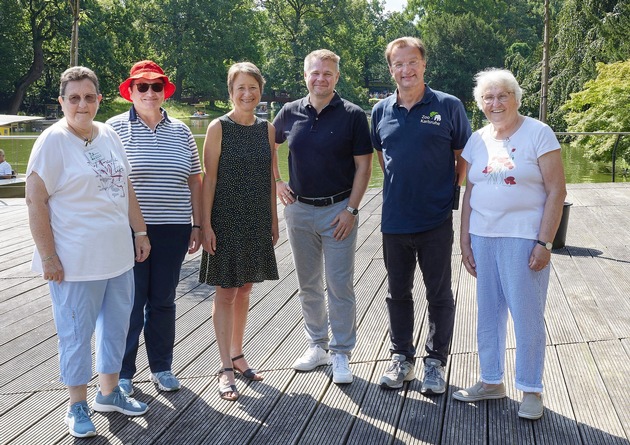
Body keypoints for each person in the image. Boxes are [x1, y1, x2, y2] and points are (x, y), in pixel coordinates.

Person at [25, 66, 150, 438]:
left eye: (89, 97)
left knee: (116, 328)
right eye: (74, 98)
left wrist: (140, 231)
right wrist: (48, 256)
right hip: (74, 263)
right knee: (75, 334)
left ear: (98, 99)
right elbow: (35, 200)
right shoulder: (51, 142)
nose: (82, 104)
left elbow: (125, 186)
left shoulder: (109, 134)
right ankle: (76, 404)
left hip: (117, 258)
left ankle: (109, 393)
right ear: (62, 102)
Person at [452, 68, 566, 420]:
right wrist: (464, 238)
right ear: (480, 103)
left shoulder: (539, 133)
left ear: (516, 98)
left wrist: (544, 242)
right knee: (487, 313)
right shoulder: (478, 139)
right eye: (488, 97)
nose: (496, 102)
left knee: (526, 315)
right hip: (484, 238)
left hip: (523, 238)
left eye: (503, 95)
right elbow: (470, 190)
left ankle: (531, 388)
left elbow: (556, 191)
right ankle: (490, 382)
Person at [370, 37, 471, 394]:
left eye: (412, 62)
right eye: (398, 64)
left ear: (424, 64)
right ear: (391, 69)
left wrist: (447, 195)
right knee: (397, 293)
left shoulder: (448, 105)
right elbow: (384, 159)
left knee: (439, 293)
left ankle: (435, 363)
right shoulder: (380, 110)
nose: (405, 70)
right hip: (394, 219)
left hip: (435, 220)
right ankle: (402, 359)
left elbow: (464, 156)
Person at [273, 49, 373, 385]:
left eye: (328, 73)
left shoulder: (353, 115)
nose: (321, 78)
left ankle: (341, 352)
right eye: (315, 73)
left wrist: (351, 210)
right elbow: (268, 144)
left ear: (337, 77)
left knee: (339, 284)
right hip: (299, 210)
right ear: (306, 75)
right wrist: (277, 182)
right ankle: (318, 345)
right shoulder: (288, 112)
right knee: (308, 285)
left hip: (338, 211)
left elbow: (364, 166)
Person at [107, 60, 203, 396]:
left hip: (174, 228)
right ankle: (123, 373)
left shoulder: (182, 131)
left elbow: (195, 179)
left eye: (156, 86)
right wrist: (134, 230)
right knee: (129, 301)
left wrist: (198, 223)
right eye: (142, 87)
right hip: (129, 230)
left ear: (164, 92)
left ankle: (162, 367)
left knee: (162, 300)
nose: (150, 92)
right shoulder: (113, 129)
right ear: (130, 92)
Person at [198, 62, 279, 401]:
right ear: (230, 93)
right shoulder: (219, 127)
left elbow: (270, 177)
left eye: (253, 87)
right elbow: (209, 179)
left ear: (260, 89)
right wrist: (205, 225)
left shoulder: (268, 129)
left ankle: (238, 353)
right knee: (226, 292)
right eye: (240, 88)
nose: (247, 94)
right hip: (226, 219)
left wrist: (274, 220)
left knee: (245, 288)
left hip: (256, 218)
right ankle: (225, 368)